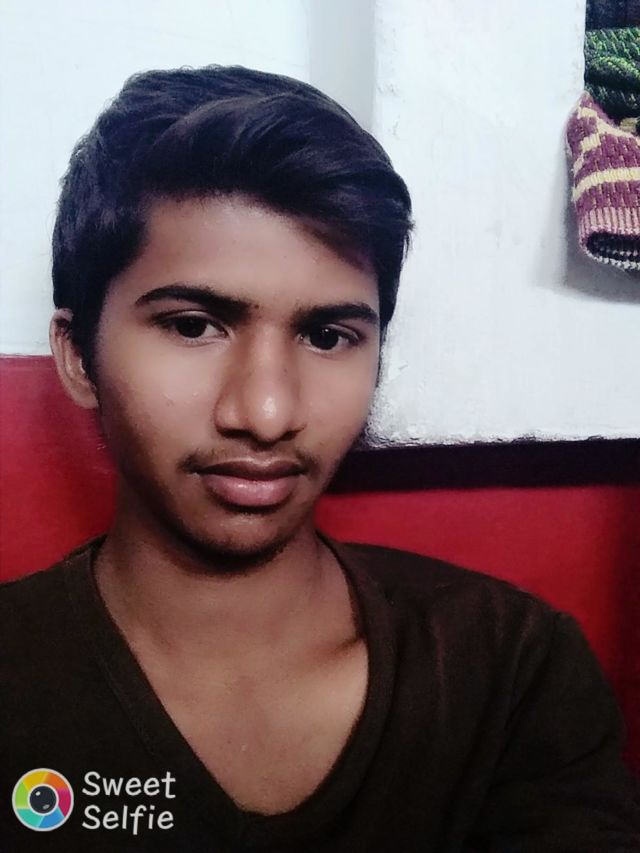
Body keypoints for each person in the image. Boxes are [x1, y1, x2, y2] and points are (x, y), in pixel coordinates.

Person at [1, 65, 639, 852]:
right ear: (77, 355)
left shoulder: (509, 671)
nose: (267, 413)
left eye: (328, 336)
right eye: (194, 325)